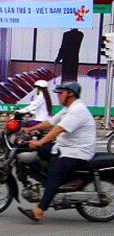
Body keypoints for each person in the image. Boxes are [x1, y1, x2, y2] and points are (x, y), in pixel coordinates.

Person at [19, 82, 96, 223]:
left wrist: (40, 142)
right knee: (38, 152)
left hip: (76, 152)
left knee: (54, 175)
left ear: (70, 94)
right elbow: (50, 123)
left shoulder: (78, 110)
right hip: (65, 147)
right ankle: (47, 180)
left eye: (61, 93)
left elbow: (59, 129)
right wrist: (29, 130)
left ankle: (39, 211)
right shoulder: (68, 108)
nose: (58, 96)